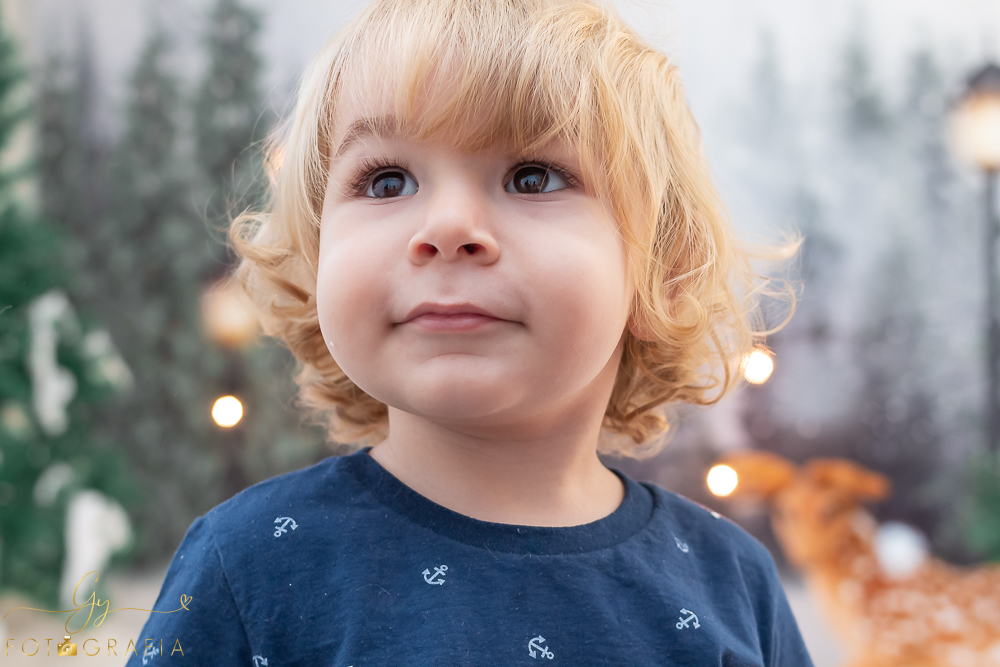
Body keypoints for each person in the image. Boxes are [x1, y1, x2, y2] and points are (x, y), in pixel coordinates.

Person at [126, 0, 812, 664]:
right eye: (388, 181)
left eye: (533, 176)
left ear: (663, 268)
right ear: (313, 263)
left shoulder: (732, 581)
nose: (448, 227)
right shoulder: (249, 564)